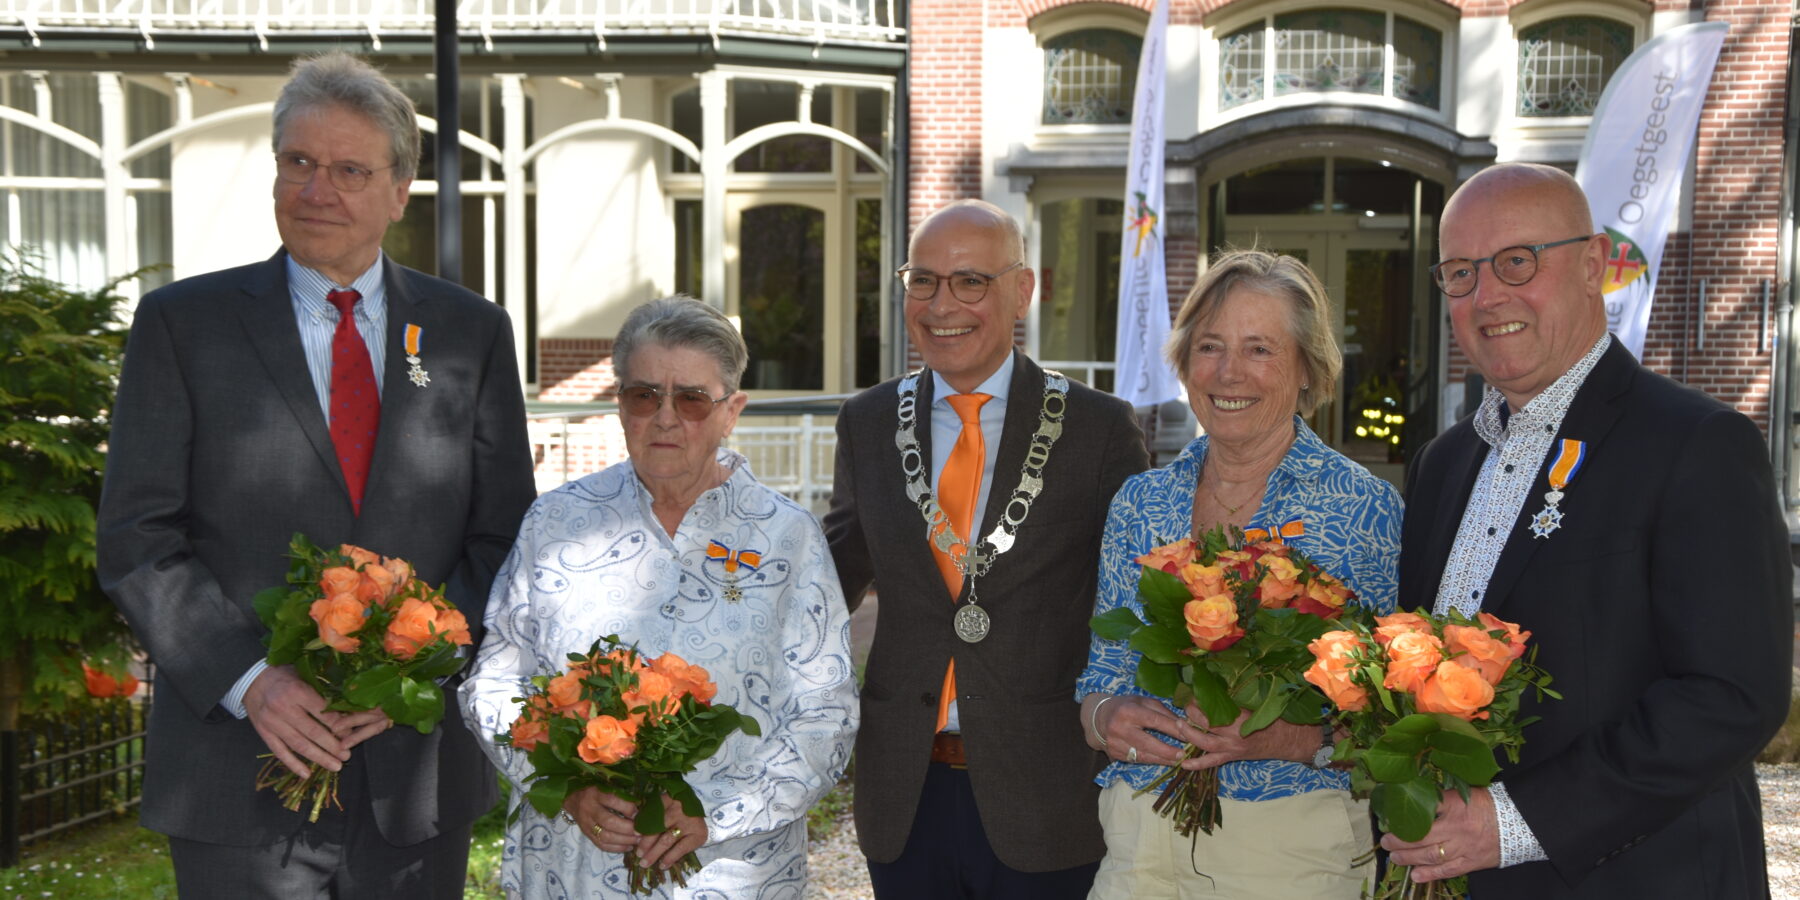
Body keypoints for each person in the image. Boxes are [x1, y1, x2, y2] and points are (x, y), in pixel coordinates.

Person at [95, 51, 537, 897]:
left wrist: (415, 668)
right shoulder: (182, 326)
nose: (316, 189)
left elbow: (505, 538)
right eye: (297, 161)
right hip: (236, 773)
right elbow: (136, 537)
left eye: (348, 170)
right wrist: (250, 682)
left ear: (400, 191)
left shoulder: (469, 333)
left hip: (412, 778)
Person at [1382, 162, 1791, 896]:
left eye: (1517, 260)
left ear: (1594, 264)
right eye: (1461, 272)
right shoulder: (1442, 463)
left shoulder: (1696, 443)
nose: (1488, 295)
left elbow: (1731, 695)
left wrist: (1513, 823)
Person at [460, 295, 859, 899]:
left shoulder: (787, 536)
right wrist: (566, 787)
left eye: (692, 399)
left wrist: (716, 812)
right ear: (620, 405)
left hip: (732, 873)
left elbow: (827, 713)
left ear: (732, 411)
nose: (666, 418)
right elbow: (493, 682)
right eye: (644, 395)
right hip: (573, 871)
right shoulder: (555, 522)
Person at [824, 199, 1150, 898]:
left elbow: (1136, 602)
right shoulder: (868, 422)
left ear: (1022, 291)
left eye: (971, 281)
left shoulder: (1099, 430)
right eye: (923, 280)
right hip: (905, 792)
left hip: (1047, 793)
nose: (943, 305)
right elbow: (827, 582)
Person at [1077, 249, 1402, 899]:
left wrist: (1286, 736)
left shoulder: (1360, 508)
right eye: (1210, 346)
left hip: (1289, 845)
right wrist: (1105, 716)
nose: (1229, 372)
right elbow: (1101, 676)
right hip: (1140, 833)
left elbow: (1385, 717)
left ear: (1307, 368)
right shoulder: (1141, 502)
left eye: (1259, 349)